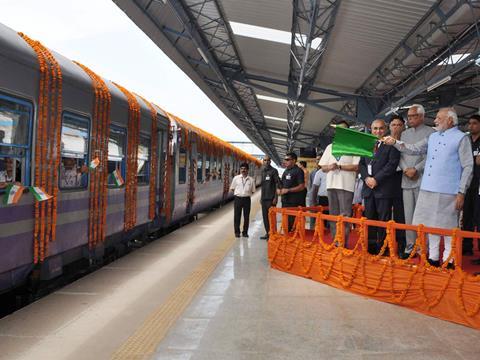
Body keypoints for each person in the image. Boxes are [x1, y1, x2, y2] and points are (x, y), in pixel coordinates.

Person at [384, 108, 473, 267]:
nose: (435, 121)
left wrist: (461, 191)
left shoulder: (461, 138)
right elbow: (414, 148)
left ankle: (449, 259)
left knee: (448, 226)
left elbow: (468, 166)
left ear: (450, 121)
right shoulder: (432, 136)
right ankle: (433, 257)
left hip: (449, 190)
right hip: (428, 187)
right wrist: (395, 142)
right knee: (431, 224)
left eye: (439, 118)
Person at [398, 104, 435, 258]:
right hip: (406, 178)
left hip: (422, 179)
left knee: (422, 216)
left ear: (422, 116)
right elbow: (399, 154)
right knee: (408, 216)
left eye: (413, 116)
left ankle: (422, 248)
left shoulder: (431, 133)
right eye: (409, 116)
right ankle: (410, 248)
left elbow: (431, 156)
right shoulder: (404, 134)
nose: (410, 119)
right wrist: (406, 168)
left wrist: (416, 169)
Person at [359, 119, 400, 254]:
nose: (378, 131)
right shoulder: (366, 145)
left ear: (386, 129)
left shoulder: (392, 145)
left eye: (381, 128)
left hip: (384, 189)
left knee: (384, 220)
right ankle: (370, 247)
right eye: (375, 128)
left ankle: (383, 248)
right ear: (371, 129)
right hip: (368, 189)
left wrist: (376, 179)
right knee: (369, 219)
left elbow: (391, 165)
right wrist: (366, 178)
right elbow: (362, 165)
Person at [319, 121, 360, 247]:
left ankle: (343, 242)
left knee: (345, 215)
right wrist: (330, 167)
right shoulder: (330, 147)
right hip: (331, 185)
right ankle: (335, 241)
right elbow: (322, 167)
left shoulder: (353, 146)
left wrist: (340, 166)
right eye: (338, 129)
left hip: (346, 185)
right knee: (333, 214)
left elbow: (356, 166)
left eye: (344, 129)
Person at [389, 114, 407, 256]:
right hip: (387, 180)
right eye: (393, 125)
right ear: (389, 127)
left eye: (399, 125)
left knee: (401, 214)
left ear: (404, 126)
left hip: (403, 179)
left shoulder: (407, 142)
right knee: (386, 214)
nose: (396, 127)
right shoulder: (384, 142)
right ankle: (386, 244)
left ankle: (402, 244)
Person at [463, 115, 480, 258]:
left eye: (474, 123)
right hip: (467, 184)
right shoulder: (466, 141)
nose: (471, 126)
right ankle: (466, 246)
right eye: (469, 123)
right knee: (466, 216)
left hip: (479, 185)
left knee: (478, 218)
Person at [278, 152, 305, 231]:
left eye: (287, 159)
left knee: (293, 225)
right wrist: (279, 189)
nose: (285, 161)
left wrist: (288, 190)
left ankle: (293, 241)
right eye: (284, 159)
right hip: (285, 202)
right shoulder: (286, 171)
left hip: (294, 203)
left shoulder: (298, 171)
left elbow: (301, 186)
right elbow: (283, 184)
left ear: (294, 160)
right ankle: (287, 241)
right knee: (286, 224)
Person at [230, 162, 256, 238]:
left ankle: (245, 232)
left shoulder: (251, 180)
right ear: (240, 169)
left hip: (247, 199)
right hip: (238, 199)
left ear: (247, 170)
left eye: (245, 169)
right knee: (237, 216)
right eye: (241, 168)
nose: (243, 170)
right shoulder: (236, 178)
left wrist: (245, 194)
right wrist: (239, 193)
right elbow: (232, 188)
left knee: (246, 216)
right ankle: (237, 232)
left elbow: (253, 190)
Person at [260, 156, 280, 240]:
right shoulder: (263, 171)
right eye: (265, 160)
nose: (266, 162)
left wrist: (275, 197)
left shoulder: (274, 171)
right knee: (265, 217)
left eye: (268, 160)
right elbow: (262, 186)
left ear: (270, 161)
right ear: (263, 161)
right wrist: (261, 198)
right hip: (264, 198)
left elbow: (277, 184)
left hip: (271, 199)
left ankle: (273, 234)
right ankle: (268, 233)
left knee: (271, 217)